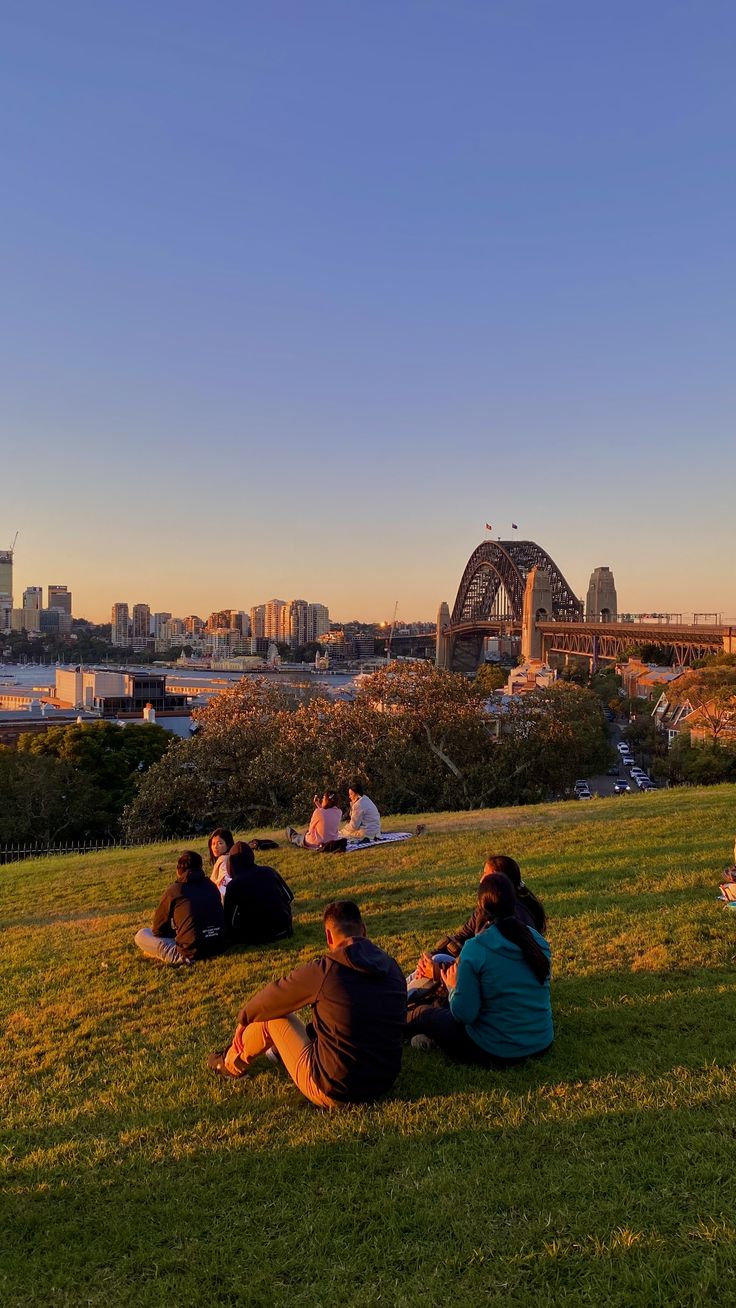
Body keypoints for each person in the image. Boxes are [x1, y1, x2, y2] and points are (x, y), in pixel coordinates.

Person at [207, 900, 407, 1107]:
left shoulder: (326, 971)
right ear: (363, 930)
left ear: (328, 936)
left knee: (273, 1018)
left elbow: (273, 997)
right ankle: (277, 1052)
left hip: (336, 1090)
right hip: (384, 1081)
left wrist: (244, 1018)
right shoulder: (392, 967)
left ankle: (229, 1064)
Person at [407, 872, 553, 1065]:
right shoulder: (536, 940)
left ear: (481, 907)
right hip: (541, 1041)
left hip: (496, 1050)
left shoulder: (477, 948)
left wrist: (452, 987)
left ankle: (387, 1026)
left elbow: (464, 1014)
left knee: (421, 1014)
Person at [409, 855, 546, 995]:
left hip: (495, 989)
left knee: (421, 1004)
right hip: (488, 979)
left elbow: (491, 973)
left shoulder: (510, 926)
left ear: (497, 879)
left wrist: (439, 972)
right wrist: (430, 960)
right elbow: (462, 937)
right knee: (433, 961)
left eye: (485, 874)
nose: (481, 879)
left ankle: (398, 1002)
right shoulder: (488, 911)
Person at [135, 850, 226, 965]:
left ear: (178, 870)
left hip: (191, 951)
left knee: (142, 934)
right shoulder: (211, 885)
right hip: (219, 944)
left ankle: (178, 957)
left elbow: (158, 929)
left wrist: (176, 933)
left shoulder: (175, 890)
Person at [223, 841, 294, 945]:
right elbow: (288, 897)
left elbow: (230, 920)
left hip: (257, 936)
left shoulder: (234, 885)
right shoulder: (269, 871)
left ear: (231, 862)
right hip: (284, 929)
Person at [208, 827, 235, 898]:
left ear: (228, 844)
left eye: (220, 843)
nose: (215, 847)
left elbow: (225, 884)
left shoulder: (224, 861)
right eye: (213, 844)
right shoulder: (229, 857)